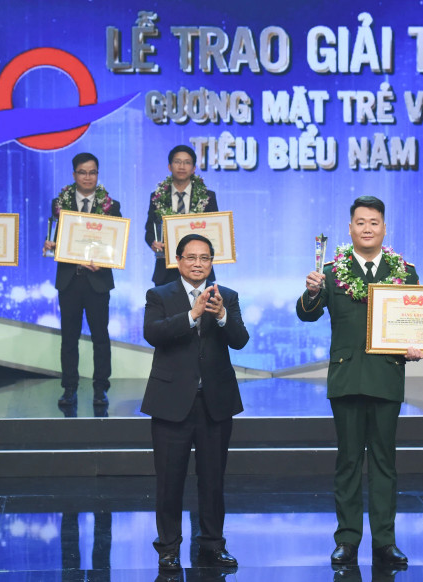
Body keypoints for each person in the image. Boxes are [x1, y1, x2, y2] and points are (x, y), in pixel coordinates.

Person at [296, 196, 423, 568]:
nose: (367, 228)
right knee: (349, 462)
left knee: (385, 462)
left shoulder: (405, 272)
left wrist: (416, 346)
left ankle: (385, 541)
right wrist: (313, 290)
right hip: (347, 376)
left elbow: (416, 323)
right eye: (360, 222)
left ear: (385, 229)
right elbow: (306, 314)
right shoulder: (331, 272)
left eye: (374, 223)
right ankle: (347, 540)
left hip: (386, 375)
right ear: (350, 228)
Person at [141, 233, 248, 571]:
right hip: (172, 401)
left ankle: (213, 545)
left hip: (215, 402)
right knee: (169, 481)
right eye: (191, 257)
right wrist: (191, 314)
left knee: (213, 480)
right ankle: (169, 549)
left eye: (204, 258)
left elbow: (241, 340)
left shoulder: (226, 297)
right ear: (178, 261)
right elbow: (152, 333)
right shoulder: (159, 295)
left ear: (212, 262)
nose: (198, 263)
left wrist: (219, 317)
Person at [43, 153, 121, 407]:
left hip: (98, 280)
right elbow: (55, 238)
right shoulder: (59, 203)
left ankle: (101, 389)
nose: (88, 177)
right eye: (82, 172)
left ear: (98, 174)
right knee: (69, 338)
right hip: (69, 280)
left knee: (101, 337)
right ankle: (69, 388)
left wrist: (106, 258)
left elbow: (115, 244)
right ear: (73, 174)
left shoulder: (111, 205)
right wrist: (51, 245)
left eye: (92, 172)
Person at [145, 145, 217, 286]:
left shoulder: (208, 197)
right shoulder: (157, 197)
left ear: (194, 168)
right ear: (169, 167)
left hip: (198, 270)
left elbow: (214, 231)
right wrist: (153, 242)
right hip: (165, 271)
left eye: (187, 162)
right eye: (177, 162)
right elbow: (149, 230)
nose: (182, 166)